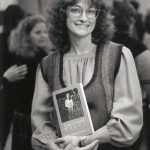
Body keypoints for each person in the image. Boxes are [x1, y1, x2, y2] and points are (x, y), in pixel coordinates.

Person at [31, 0, 143, 150]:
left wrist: (84, 141)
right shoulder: (47, 65)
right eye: (76, 10)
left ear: (98, 16)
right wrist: (52, 145)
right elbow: (40, 121)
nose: (84, 18)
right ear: (62, 14)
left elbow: (128, 120)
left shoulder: (117, 55)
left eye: (91, 11)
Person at [6, 15, 50, 150]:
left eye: (45, 31)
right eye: (37, 32)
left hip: (36, 115)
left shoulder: (42, 55)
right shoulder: (25, 60)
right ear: (27, 36)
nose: (43, 35)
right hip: (28, 117)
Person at [0, 5, 26, 149]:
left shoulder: (19, 41)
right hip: (9, 97)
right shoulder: (8, 41)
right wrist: (5, 79)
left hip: (12, 98)